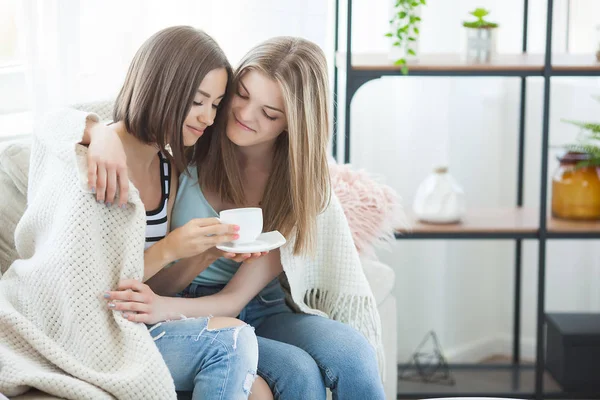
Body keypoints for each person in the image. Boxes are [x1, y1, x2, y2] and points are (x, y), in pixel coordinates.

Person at [96, 36, 386, 400]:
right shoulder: (195, 135)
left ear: (292, 124)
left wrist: (164, 305)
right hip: (191, 301)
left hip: (260, 307)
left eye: (269, 113)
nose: (245, 115)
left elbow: (236, 299)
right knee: (297, 373)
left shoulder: (297, 185)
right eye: (242, 95)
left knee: (352, 353)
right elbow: (125, 109)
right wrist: (98, 134)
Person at [64, 26, 266, 400]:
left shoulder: (169, 170)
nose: (208, 117)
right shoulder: (91, 160)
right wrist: (169, 248)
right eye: (198, 101)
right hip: (88, 331)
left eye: (216, 104)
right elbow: (88, 294)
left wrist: (206, 253)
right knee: (233, 340)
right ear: (162, 87)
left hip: (133, 323)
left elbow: (149, 292)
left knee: (258, 387)